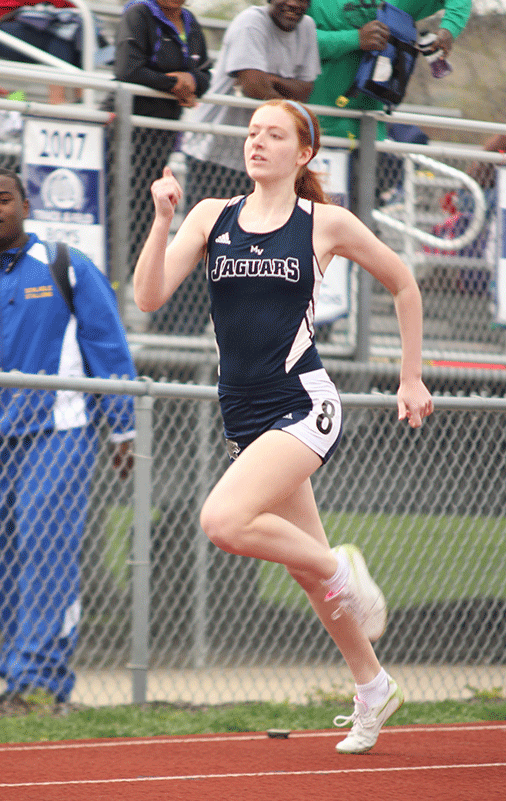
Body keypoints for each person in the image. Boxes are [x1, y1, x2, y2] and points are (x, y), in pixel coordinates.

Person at [134, 100, 434, 753]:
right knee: (311, 578)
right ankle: (374, 687)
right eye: (251, 132)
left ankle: (342, 564)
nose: (257, 142)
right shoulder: (212, 216)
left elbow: (404, 284)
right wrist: (162, 221)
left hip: (304, 403)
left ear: (303, 154)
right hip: (242, 413)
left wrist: (410, 377)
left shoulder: (324, 223)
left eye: (274, 134)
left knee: (223, 521)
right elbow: (149, 297)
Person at [0, 168, 136, 707]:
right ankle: (23, 674)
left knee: (45, 549)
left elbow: (105, 344)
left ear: (24, 203)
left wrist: (122, 424)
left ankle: (39, 681)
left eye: (2, 199)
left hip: (57, 433)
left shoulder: (65, 265)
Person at [169, 0, 320, 337]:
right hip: (214, 153)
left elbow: (306, 91)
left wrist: (270, 81)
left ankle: (241, 333)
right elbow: (254, 87)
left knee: (253, 255)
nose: (294, 4)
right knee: (206, 249)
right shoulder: (250, 22)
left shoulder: (306, 27)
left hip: (261, 167)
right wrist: (278, 86)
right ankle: (180, 336)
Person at [114, 0, 211, 268]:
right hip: (128, 132)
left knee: (146, 214)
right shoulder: (139, 13)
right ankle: (115, 279)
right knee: (122, 208)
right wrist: (174, 84)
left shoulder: (190, 21)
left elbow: (204, 75)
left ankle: (133, 279)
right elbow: (128, 69)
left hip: (163, 135)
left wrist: (191, 81)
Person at [308, 0, 472, 142]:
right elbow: (295, 40)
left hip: (369, 132)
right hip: (313, 126)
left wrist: (448, 29)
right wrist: (356, 39)